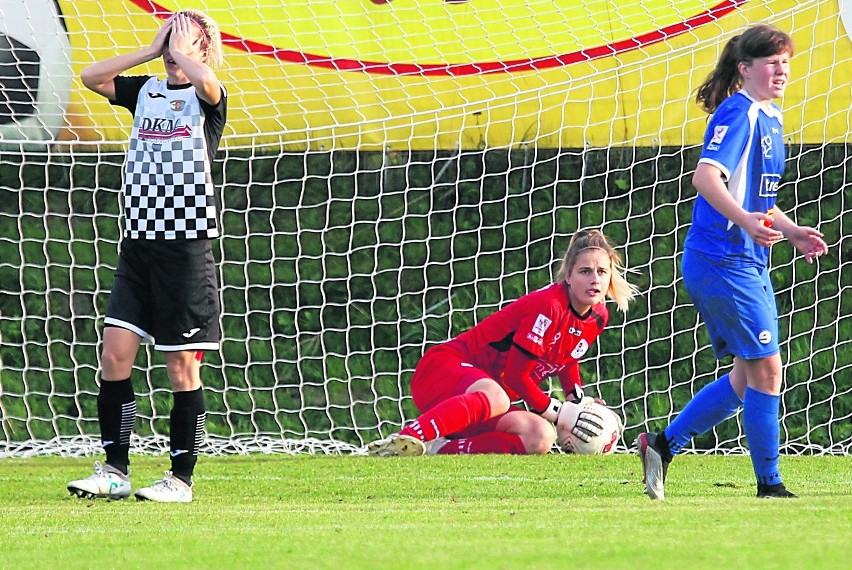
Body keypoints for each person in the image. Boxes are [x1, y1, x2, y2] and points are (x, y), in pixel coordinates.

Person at [636, 23, 828, 500]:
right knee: (767, 369)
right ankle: (770, 485)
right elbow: (706, 178)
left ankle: (662, 446)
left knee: (747, 378)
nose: (781, 70)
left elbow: (757, 194)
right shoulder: (738, 112)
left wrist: (791, 231)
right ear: (745, 69)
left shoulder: (771, 116)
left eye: (786, 62)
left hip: (748, 260)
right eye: (771, 62)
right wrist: (744, 220)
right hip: (721, 259)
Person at [67, 10, 227, 502]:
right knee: (114, 354)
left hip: (185, 247)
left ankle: (181, 479)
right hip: (138, 243)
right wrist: (152, 49)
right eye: (172, 36)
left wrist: (182, 52)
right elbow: (92, 77)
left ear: (202, 50)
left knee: (181, 367)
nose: (177, 49)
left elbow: (208, 82)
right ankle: (115, 470)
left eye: (188, 41)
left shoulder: (207, 99)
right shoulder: (146, 91)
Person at [368, 229, 637, 457]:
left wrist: (576, 400)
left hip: (480, 406)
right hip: (441, 372)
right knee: (498, 394)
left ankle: (440, 449)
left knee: (540, 436)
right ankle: (404, 438)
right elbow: (516, 376)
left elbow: (568, 358)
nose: (595, 279)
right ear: (568, 275)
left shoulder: (598, 315)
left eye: (602, 271)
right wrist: (560, 412)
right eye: (585, 271)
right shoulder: (549, 307)